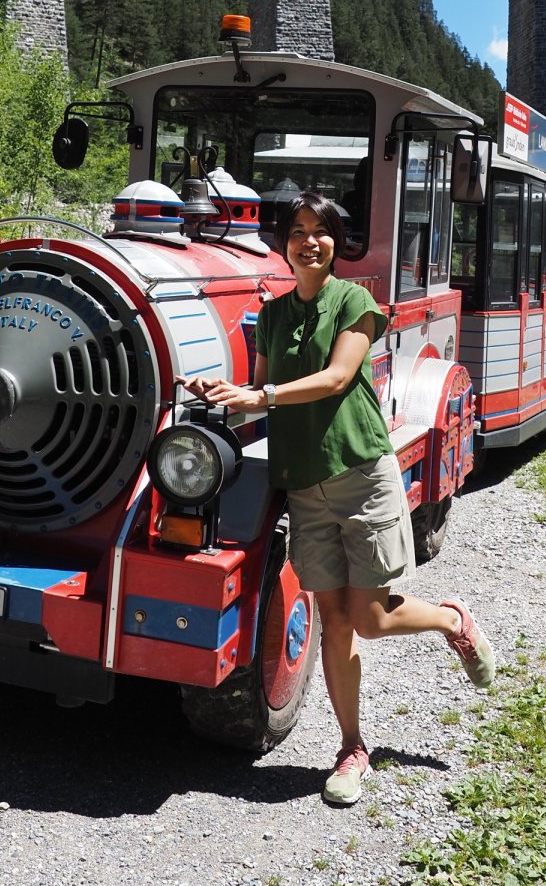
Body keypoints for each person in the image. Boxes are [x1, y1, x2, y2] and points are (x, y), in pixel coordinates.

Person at [185, 190, 495, 807]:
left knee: (373, 619)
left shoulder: (353, 301)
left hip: (360, 473)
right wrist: (224, 388)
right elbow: (260, 387)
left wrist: (262, 397)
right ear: (284, 243)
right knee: (334, 621)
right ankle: (353, 748)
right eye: (297, 230)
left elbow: (334, 377)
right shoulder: (272, 315)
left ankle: (451, 620)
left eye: (320, 230)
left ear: (336, 243)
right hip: (304, 486)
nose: (308, 241)